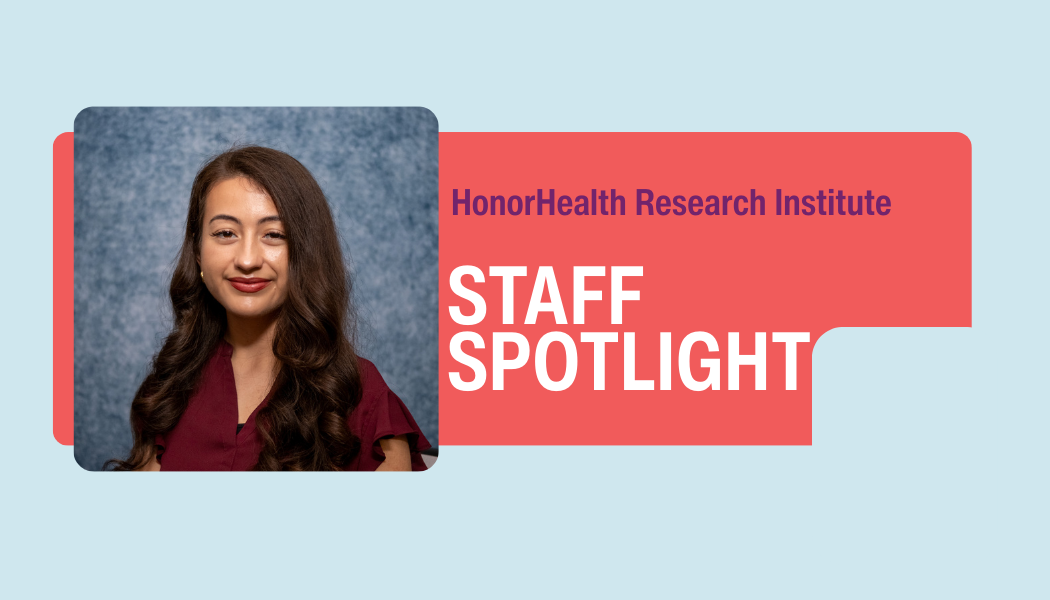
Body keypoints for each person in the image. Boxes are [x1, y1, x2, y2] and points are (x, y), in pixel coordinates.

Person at [108, 146, 431, 471]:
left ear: (305, 254)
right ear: (198, 252)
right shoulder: (165, 389)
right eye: (225, 233)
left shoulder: (359, 394)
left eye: (274, 235)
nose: (247, 260)